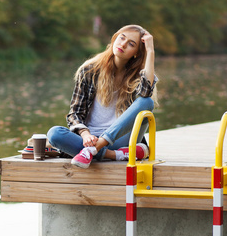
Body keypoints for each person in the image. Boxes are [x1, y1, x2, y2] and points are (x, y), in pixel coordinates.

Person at [47, 24, 158, 169]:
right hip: (89, 139)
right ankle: (113, 155)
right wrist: (85, 135)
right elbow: (75, 114)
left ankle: (96, 149)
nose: (123, 44)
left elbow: (146, 93)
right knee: (54, 134)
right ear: (114, 39)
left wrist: (150, 51)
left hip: (120, 139)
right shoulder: (89, 70)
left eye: (131, 44)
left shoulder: (137, 76)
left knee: (146, 102)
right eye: (121, 38)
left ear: (136, 52)